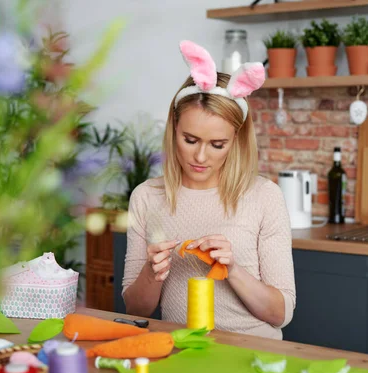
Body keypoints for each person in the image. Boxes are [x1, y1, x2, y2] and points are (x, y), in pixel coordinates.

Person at [121, 40, 295, 340]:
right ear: (173, 128)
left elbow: (280, 314)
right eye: (190, 140)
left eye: (217, 145)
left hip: (254, 356)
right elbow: (136, 310)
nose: (200, 157)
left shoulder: (264, 196)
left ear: (236, 140)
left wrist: (234, 270)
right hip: (181, 353)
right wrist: (152, 273)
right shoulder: (146, 197)